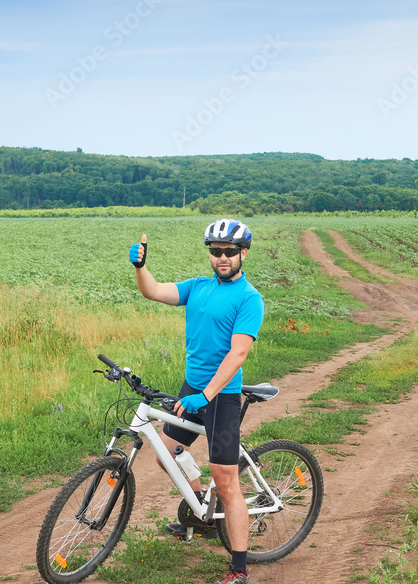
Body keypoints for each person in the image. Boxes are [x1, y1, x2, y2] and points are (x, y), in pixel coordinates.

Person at [128, 218, 264, 584]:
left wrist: (205, 395)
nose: (223, 257)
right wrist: (141, 268)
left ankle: (239, 568)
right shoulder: (199, 287)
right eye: (216, 251)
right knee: (165, 452)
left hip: (222, 397)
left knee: (227, 481)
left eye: (230, 252)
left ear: (243, 254)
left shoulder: (249, 298)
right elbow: (153, 291)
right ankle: (204, 511)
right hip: (193, 388)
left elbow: (237, 355)